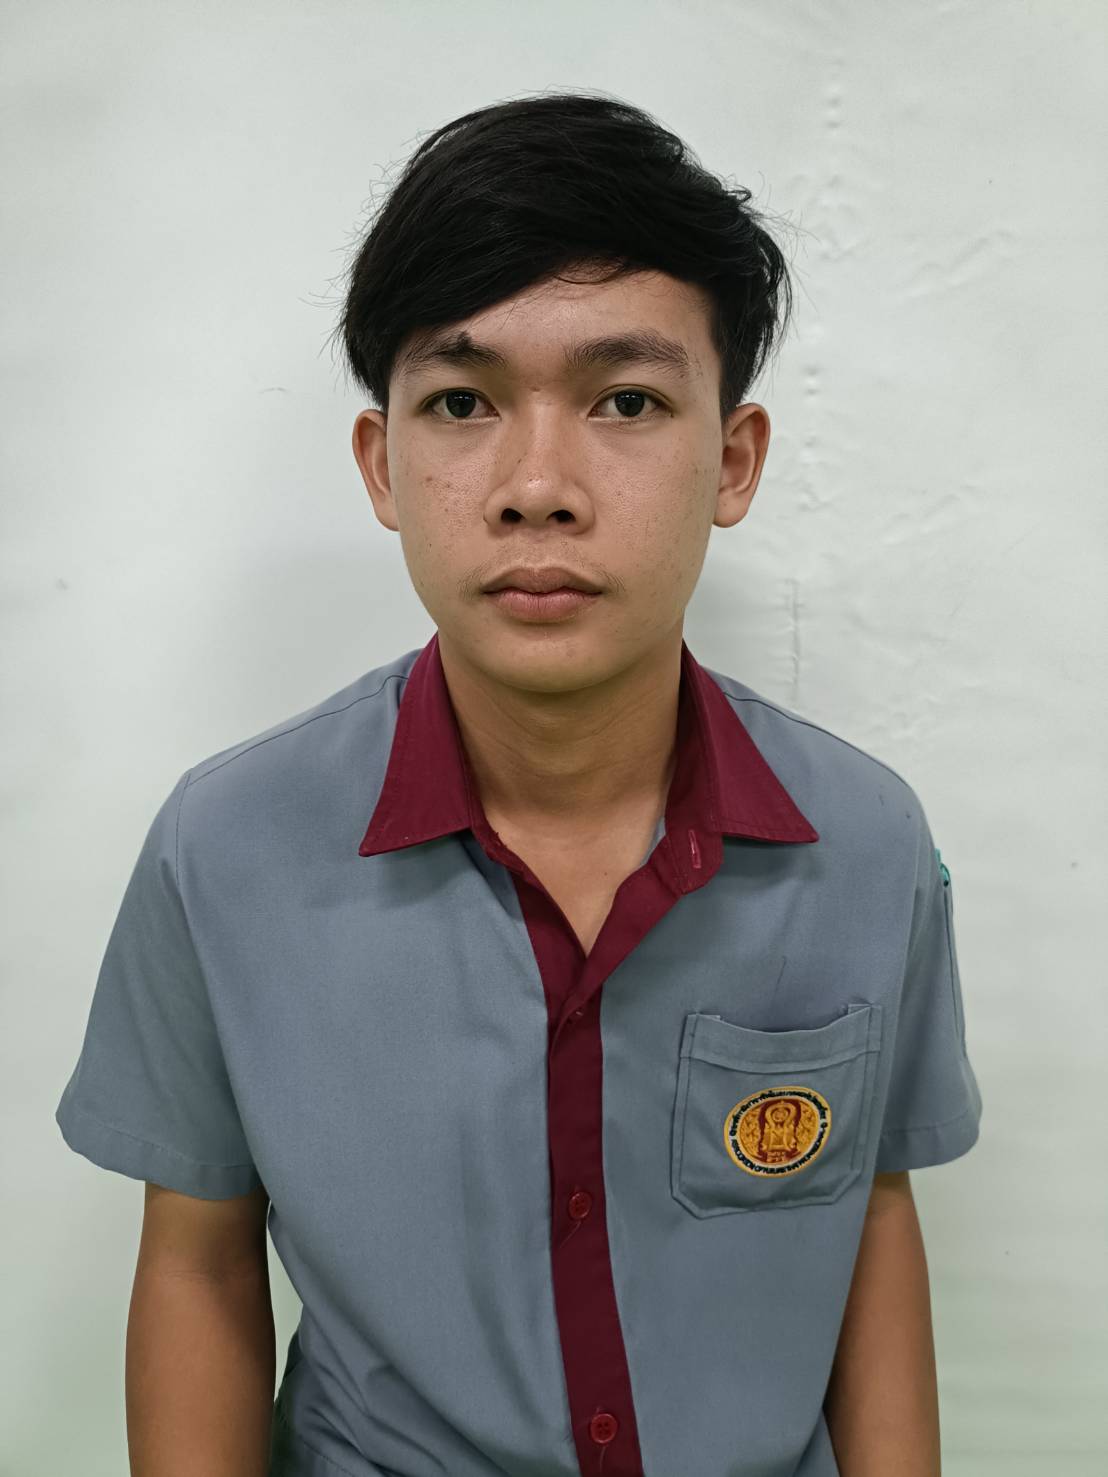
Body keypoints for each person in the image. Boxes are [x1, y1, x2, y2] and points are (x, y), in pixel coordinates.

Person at [55, 88, 983, 1477]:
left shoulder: (865, 843)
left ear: (732, 461)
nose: (537, 485)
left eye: (625, 400)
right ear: (383, 463)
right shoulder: (225, 848)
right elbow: (197, 1261)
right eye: (462, 401)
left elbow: (872, 1216)